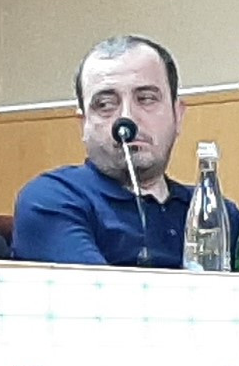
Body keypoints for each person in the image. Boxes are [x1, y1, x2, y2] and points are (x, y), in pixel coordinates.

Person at [12, 35, 192, 267]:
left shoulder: (215, 213)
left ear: (178, 116)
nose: (127, 119)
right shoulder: (52, 199)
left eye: (146, 99)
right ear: (83, 124)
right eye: (105, 105)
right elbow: (98, 289)